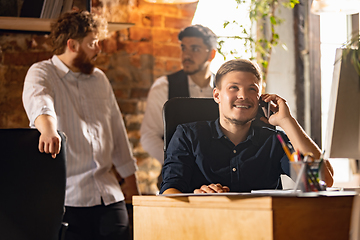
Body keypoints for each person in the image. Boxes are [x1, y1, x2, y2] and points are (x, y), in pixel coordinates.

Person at [22, 11, 139, 240]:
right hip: (68, 201)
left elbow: (116, 129)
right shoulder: (41, 72)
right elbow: (40, 101)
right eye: (93, 43)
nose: (98, 49)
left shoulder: (100, 79)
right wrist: (48, 130)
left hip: (109, 196)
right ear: (72, 44)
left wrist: (132, 185)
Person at [160, 59, 334, 194]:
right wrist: (196, 196)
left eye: (252, 89)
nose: (243, 95)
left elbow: (320, 181)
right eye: (234, 87)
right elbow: (169, 191)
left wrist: (287, 121)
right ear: (217, 95)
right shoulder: (188, 135)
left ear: (260, 98)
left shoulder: (274, 141)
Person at [140, 24, 217, 168]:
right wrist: (175, 163)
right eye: (183, 48)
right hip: (176, 179)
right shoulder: (164, 87)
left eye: (195, 49)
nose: (186, 55)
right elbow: (149, 136)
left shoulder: (225, 89)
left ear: (211, 54)